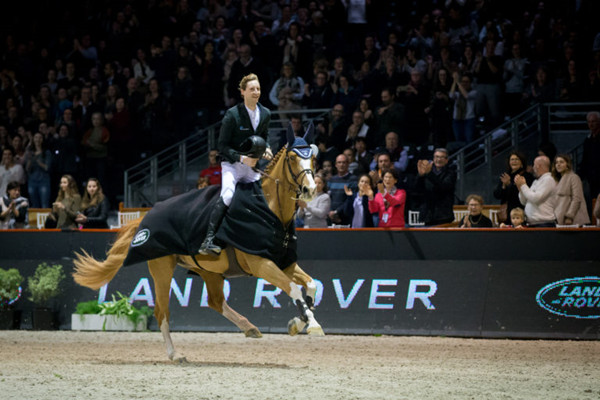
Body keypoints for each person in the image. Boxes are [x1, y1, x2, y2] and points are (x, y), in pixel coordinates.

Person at [199, 73, 273, 256]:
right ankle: (209, 239)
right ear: (242, 92)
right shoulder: (232, 115)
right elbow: (221, 146)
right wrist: (241, 159)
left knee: (264, 199)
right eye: (252, 89)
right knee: (228, 195)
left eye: (258, 89)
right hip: (232, 165)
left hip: (252, 166)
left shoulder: (265, 113)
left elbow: (264, 137)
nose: (256, 92)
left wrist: (268, 149)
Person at [416, 148, 456, 226]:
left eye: (441, 157)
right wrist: (420, 176)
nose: (438, 159)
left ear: (446, 160)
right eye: (436, 157)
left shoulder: (451, 173)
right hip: (428, 215)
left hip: (443, 216)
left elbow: (443, 187)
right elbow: (417, 190)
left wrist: (429, 174)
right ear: (433, 159)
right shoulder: (426, 172)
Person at [493, 150, 534, 225]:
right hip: (506, 213)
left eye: (517, 159)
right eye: (512, 159)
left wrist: (509, 184)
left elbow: (522, 194)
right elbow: (497, 195)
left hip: (520, 211)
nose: (514, 161)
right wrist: (503, 185)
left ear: (522, 162)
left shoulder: (527, 176)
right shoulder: (505, 175)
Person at [515, 155, 557, 227]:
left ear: (538, 166)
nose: (533, 168)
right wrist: (520, 189)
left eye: (534, 165)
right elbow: (524, 202)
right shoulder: (536, 182)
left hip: (544, 224)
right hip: (532, 224)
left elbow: (536, 198)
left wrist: (523, 185)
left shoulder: (549, 179)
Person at [552, 154, 590, 226]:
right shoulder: (558, 179)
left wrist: (569, 216)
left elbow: (577, 198)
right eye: (556, 162)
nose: (558, 164)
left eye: (561, 162)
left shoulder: (574, 177)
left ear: (567, 164)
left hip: (574, 220)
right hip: (561, 219)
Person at [327, 153, 357, 226]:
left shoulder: (353, 179)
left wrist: (336, 212)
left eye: (344, 162)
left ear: (348, 164)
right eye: (339, 162)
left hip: (346, 218)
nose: (341, 165)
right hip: (331, 217)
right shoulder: (331, 180)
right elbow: (328, 197)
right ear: (336, 165)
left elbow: (350, 199)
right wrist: (331, 212)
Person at [449, 72, 477, 144]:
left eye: (466, 82)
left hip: (468, 119)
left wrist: (458, 82)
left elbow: (466, 96)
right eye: (463, 82)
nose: (464, 84)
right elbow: (451, 95)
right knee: (459, 140)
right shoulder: (458, 93)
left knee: (469, 140)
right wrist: (454, 82)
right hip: (457, 119)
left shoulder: (474, 92)